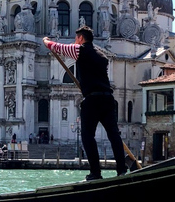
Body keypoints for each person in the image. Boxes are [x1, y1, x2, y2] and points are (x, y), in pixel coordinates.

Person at [43, 25, 127, 180]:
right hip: (108, 98)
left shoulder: (79, 50)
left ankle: (96, 173)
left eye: (76, 39)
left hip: (92, 99)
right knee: (114, 135)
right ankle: (121, 170)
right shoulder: (102, 56)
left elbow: (57, 47)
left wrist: (46, 40)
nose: (75, 41)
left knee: (88, 136)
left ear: (81, 38)